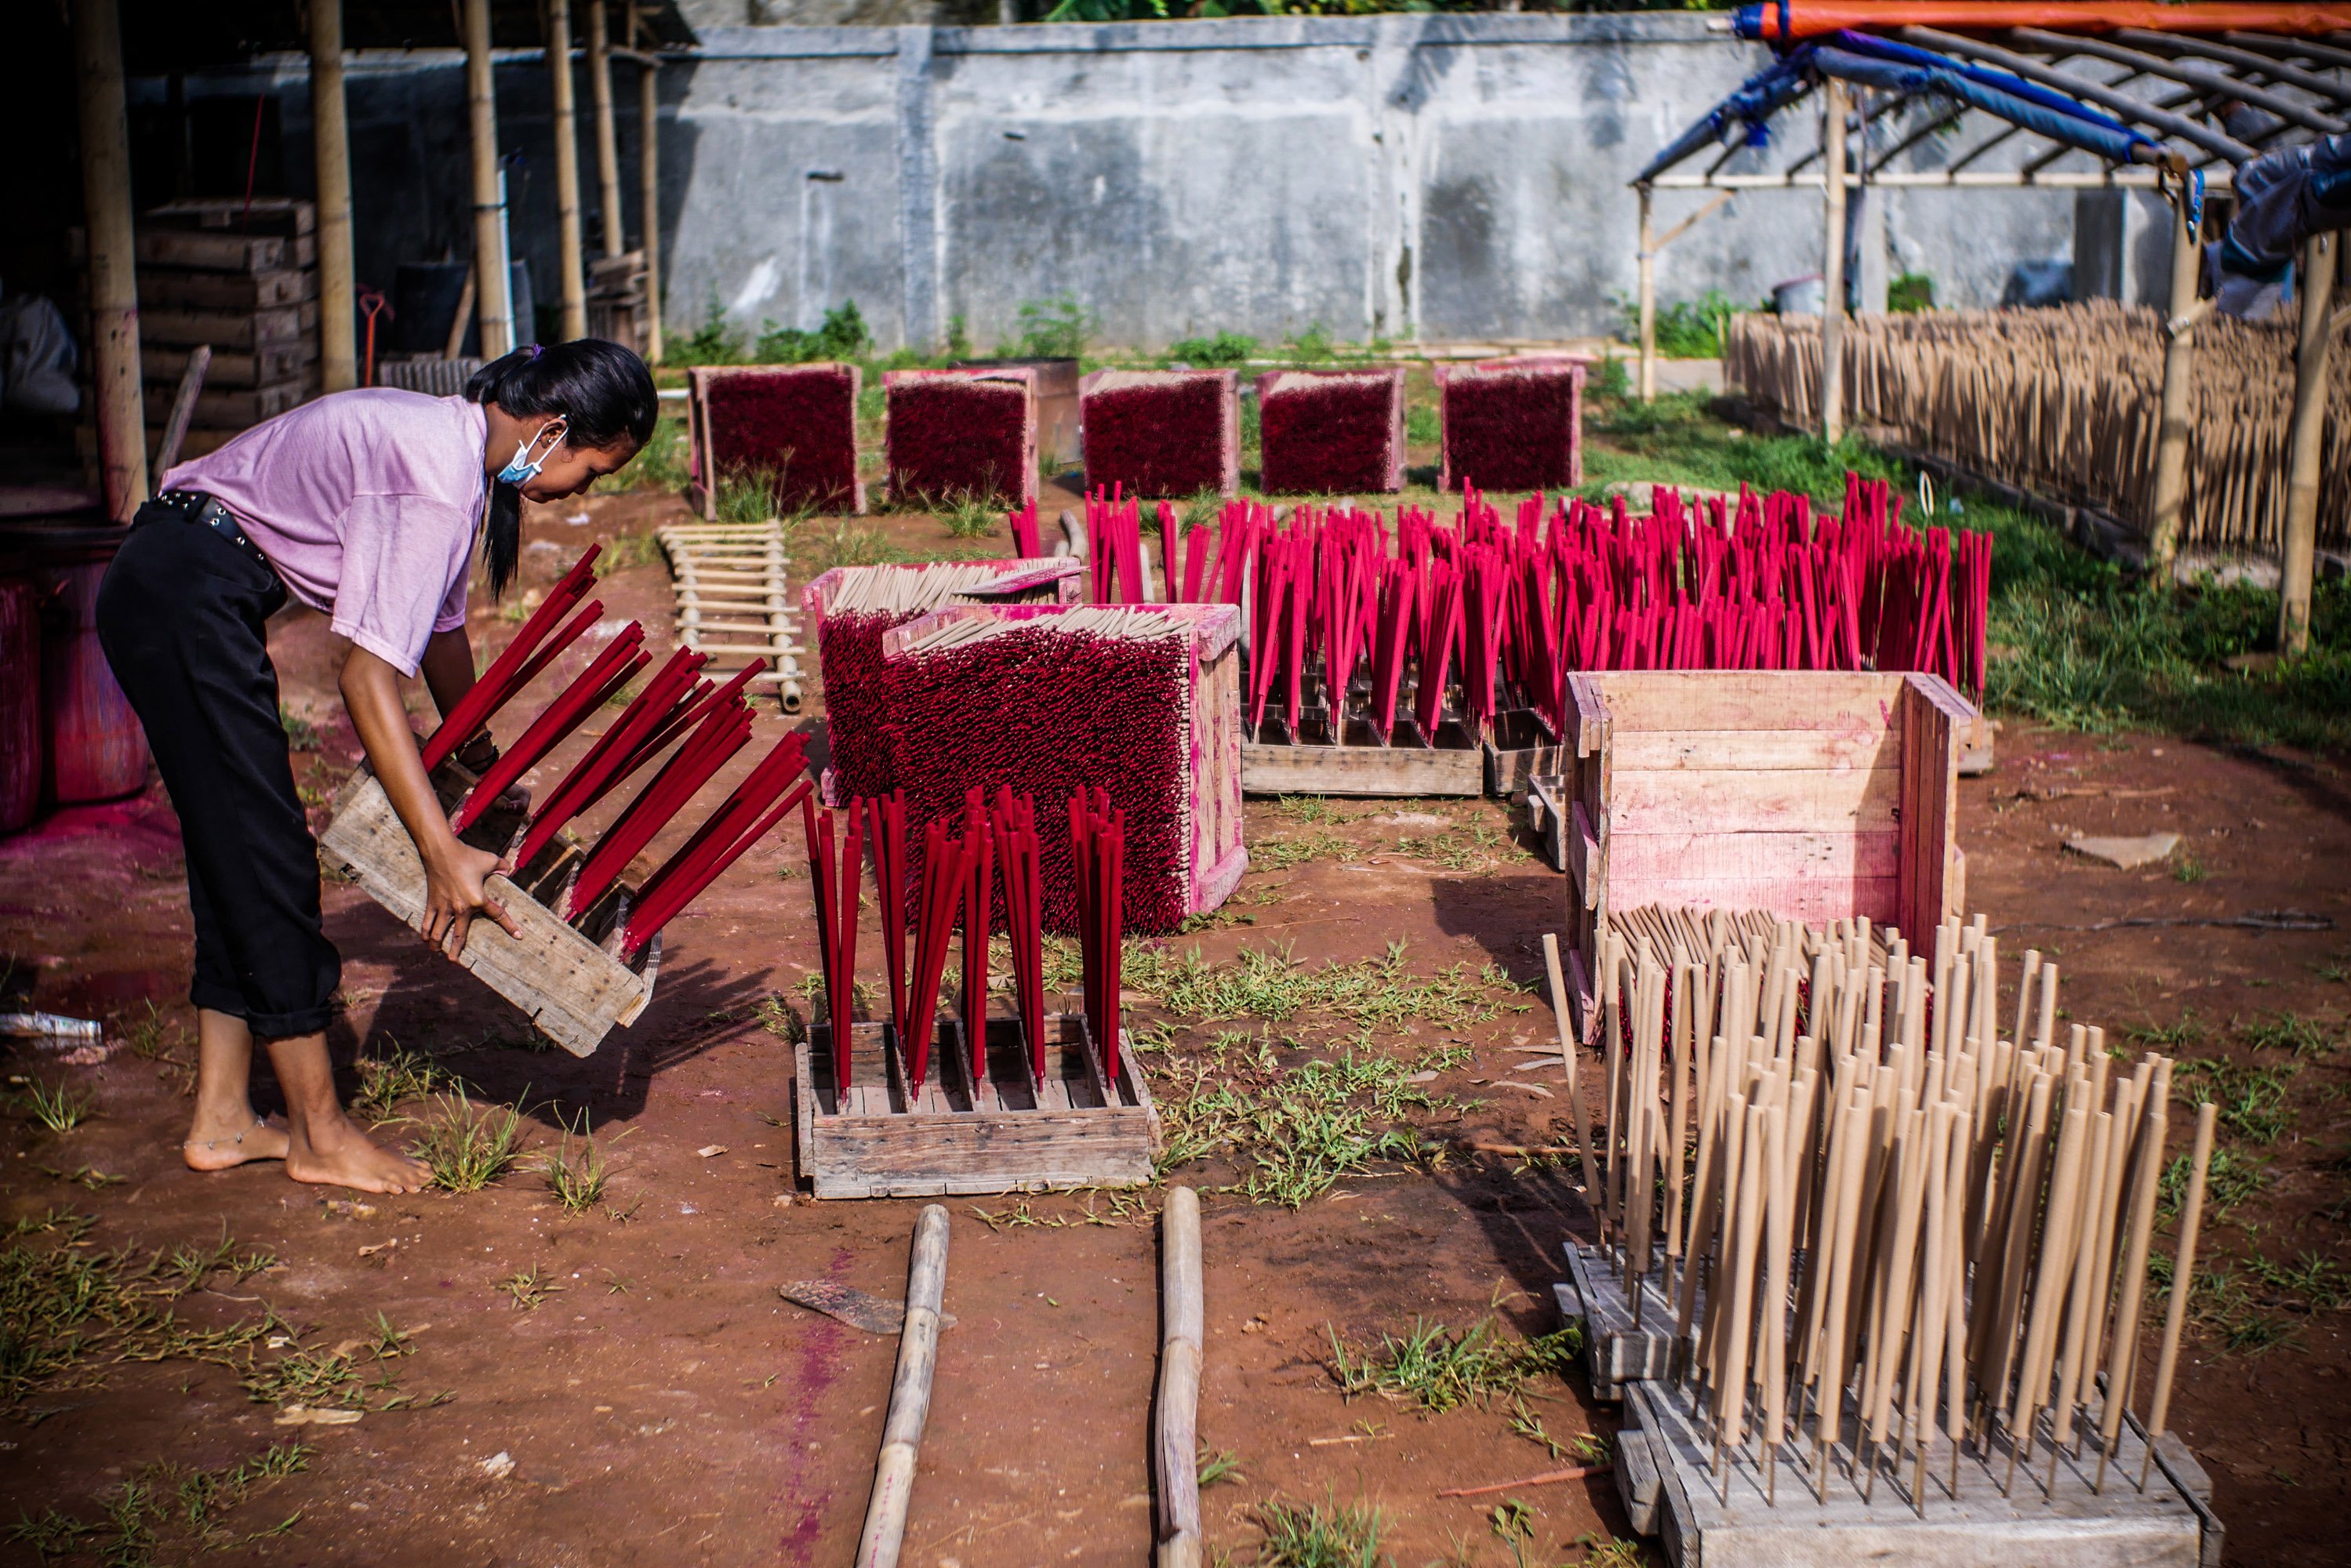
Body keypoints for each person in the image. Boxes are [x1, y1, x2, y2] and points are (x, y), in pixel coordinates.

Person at [97, 339, 658, 1193]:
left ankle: (221, 1118)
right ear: (553, 429)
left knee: (231, 853)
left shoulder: (454, 454)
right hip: (184, 588)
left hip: (183, 581)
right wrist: (440, 854)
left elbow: (437, 633)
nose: (582, 489)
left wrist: (478, 757)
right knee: (268, 857)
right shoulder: (439, 479)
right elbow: (366, 679)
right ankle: (318, 1135)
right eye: (591, 468)